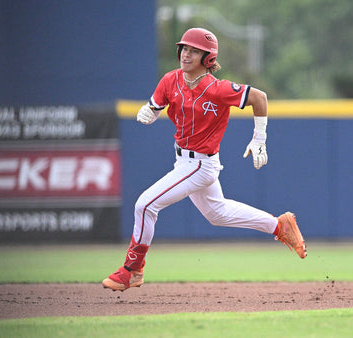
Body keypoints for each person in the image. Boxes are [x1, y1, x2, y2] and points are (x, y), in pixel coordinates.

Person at [102, 28, 307, 291]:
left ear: (207, 58)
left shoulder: (217, 89)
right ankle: (279, 225)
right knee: (217, 213)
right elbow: (154, 108)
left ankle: (132, 269)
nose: (186, 54)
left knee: (145, 205)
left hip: (200, 164)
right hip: (184, 161)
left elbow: (259, 97)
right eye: (184, 48)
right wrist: (149, 112)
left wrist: (259, 139)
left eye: (194, 50)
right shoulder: (169, 80)